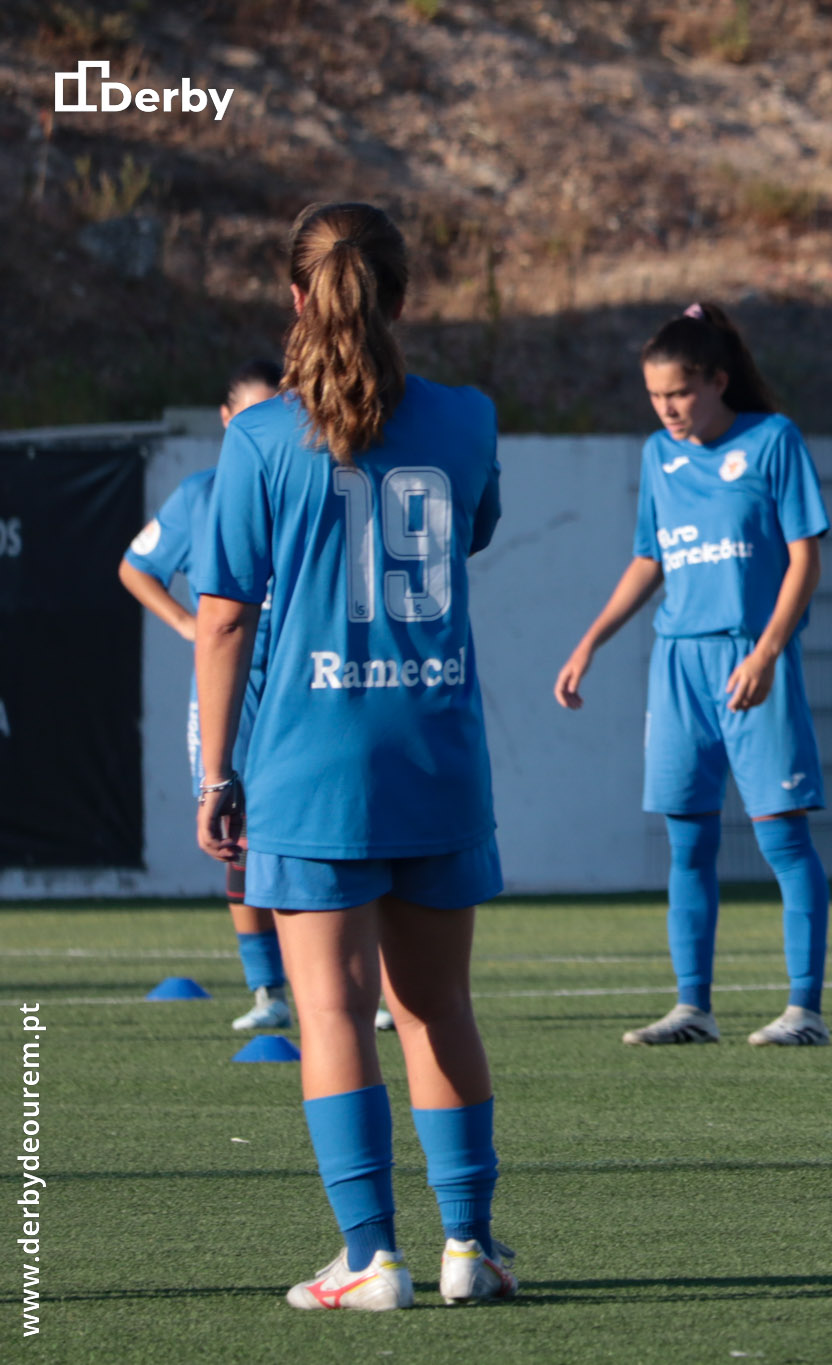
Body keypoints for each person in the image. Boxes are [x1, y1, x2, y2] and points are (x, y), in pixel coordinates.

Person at [192, 201, 514, 1309]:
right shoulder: (468, 417)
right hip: (435, 752)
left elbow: (224, 618)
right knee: (438, 1008)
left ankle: (371, 1257)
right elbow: (470, 530)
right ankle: (469, 1248)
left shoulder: (258, 438)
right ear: (404, 295)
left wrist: (217, 772)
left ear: (295, 297)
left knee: (331, 1013)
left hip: (308, 762)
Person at [554, 303, 832, 1049]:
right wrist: (590, 642)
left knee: (783, 840)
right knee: (687, 843)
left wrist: (766, 653)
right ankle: (693, 1009)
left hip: (752, 658)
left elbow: (805, 559)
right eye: (655, 396)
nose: (667, 409)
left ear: (716, 380)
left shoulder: (773, 440)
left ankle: (804, 1010)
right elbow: (651, 557)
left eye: (679, 392)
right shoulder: (659, 455)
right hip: (678, 664)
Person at [121, 359, 291, 1031]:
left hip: (301, 680)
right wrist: (189, 624)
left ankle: (363, 990)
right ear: (226, 421)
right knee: (236, 833)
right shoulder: (200, 496)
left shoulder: (305, 486)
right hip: (230, 690)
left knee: (321, 834)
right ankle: (267, 991)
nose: (263, 430)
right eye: (251, 417)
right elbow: (136, 568)